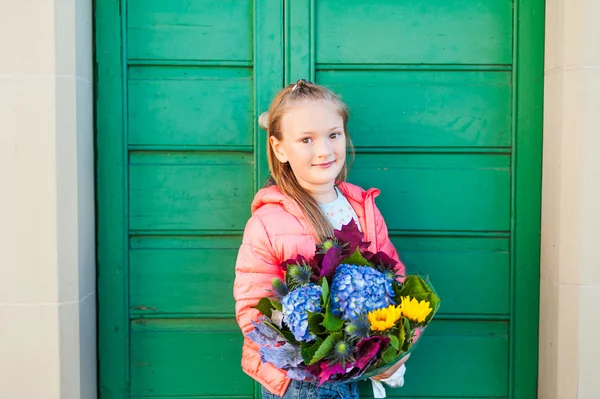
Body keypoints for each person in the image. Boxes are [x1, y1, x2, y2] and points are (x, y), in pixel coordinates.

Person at [233, 79, 408, 399]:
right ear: (279, 148)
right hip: (297, 384)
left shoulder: (364, 211)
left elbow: (396, 281)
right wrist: (307, 357)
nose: (324, 150)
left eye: (333, 135)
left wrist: (390, 351)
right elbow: (251, 312)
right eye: (306, 139)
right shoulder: (268, 223)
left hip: (352, 374)